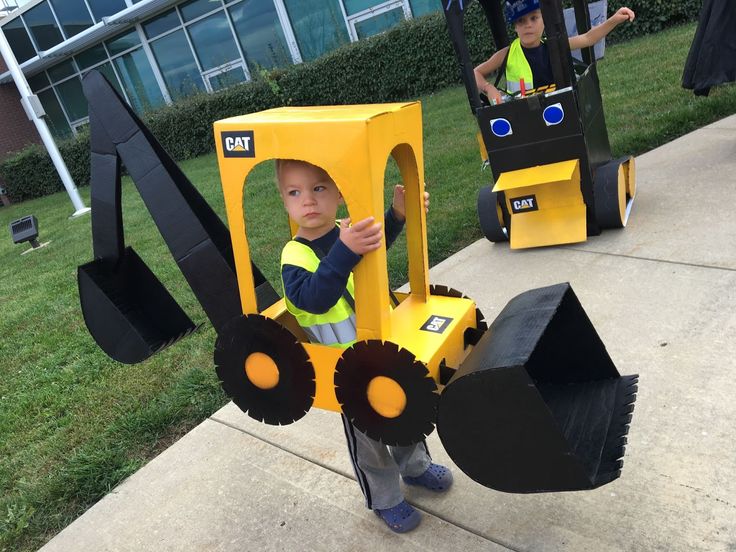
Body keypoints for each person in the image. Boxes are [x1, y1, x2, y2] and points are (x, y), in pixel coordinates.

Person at [276, 158, 452, 534]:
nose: (307, 201)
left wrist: (398, 215)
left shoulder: (347, 229)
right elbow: (315, 298)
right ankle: (385, 499)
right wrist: (344, 250)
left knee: (405, 414)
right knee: (369, 440)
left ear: (339, 193)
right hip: (347, 369)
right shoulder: (295, 255)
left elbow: (373, 247)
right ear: (284, 201)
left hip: (385, 350)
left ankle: (417, 467)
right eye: (295, 192)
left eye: (318, 188)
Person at [474, 0, 635, 102]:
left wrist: (614, 19)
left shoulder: (554, 44)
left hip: (558, 107)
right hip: (522, 116)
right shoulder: (507, 54)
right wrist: (489, 88)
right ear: (515, 27)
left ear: (544, 20)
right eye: (521, 21)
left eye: (533, 18)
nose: (528, 25)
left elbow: (588, 38)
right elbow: (475, 73)